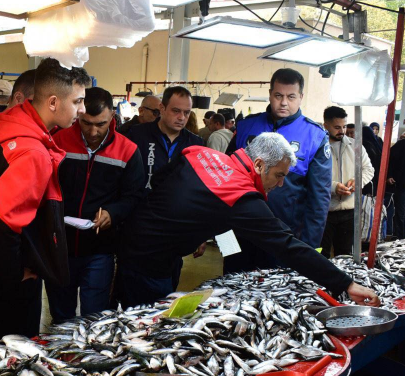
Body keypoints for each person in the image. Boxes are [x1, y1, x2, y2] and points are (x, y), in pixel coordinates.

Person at [117, 133, 380, 308]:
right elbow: (287, 246)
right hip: (149, 261)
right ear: (258, 164)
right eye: (278, 175)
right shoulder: (241, 195)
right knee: (144, 323)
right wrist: (345, 283)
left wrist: (193, 228)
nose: (280, 184)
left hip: (141, 242)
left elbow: (163, 180)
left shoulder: (201, 153)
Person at [0, 57, 90, 345]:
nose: (82, 110)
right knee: (9, 357)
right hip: (8, 281)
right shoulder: (31, 151)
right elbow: (1, 224)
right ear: (53, 102)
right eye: (78, 101)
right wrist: (15, 272)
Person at [46, 87, 145, 324]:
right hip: (60, 247)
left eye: (100, 124)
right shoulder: (58, 142)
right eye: (86, 123)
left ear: (113, 115)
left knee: (95, 317)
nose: (92, 131)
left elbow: (134, 196)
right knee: (61, 315)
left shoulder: (128, 150)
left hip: (100, 249)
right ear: (78, 114)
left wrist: (113, 212)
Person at [225, 69, 331, 272]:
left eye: (291, 97)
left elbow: (319, 200)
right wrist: (222, 239)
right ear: (270, 94)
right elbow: (225, 180)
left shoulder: (314, 136)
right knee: (231, 285)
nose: (284, 102)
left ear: (300, 97)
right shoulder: (246, 126)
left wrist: (307, 251)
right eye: (278, 96)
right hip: (238, 234)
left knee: (276, 292)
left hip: (282, 239)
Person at [125, 86, 204, 191]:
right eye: (176, 111)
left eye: (186, 112)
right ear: (162, 108)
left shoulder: (196, 144)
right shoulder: (137, 134)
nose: (182, 117)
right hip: (141, 205)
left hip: (177, 206)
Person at [320, 107, 374, 257]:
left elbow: (369, 170)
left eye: (344, 126)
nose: (342, 131)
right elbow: (311, 176)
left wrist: (358, 181)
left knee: (344, 254)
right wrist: (333, 187)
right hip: (324, 211)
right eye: (337, 127)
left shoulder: (356, 146)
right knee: (320, 252)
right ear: (326, 125)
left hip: (350, 211)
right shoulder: (317, 146)